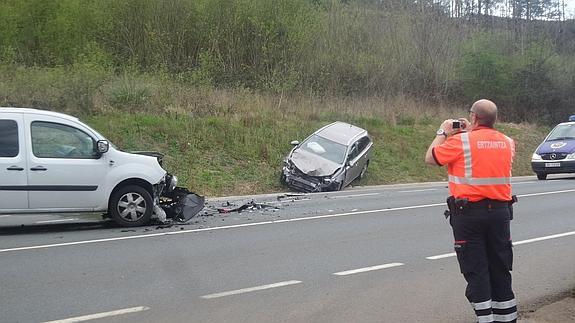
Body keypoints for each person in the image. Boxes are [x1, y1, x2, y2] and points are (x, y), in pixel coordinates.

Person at [425, 99, 518, 323]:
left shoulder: (461, 142)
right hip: (499, 213)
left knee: (477, 269)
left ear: (474, 117)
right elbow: (485, 153)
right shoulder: (508, 142)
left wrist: (443, 131)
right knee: (500, 267)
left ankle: (485, 320)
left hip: (469, 215)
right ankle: (507, 319)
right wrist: (472, 130)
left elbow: (431, 157)